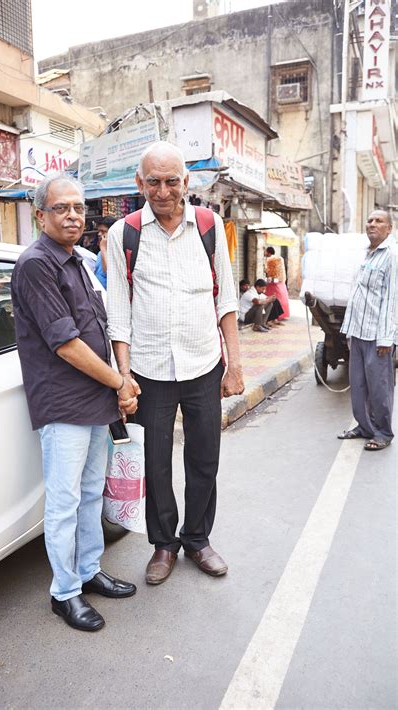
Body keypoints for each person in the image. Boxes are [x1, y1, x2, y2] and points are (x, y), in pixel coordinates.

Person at [106, 141, 244, 585]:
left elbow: (225, 299)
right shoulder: (123, 234)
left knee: (205, 458)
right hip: (149, 369)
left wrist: (234, 364)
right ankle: (164, 545)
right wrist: (124, 376)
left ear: (186, 182)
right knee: (156, 462)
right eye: (154, 182)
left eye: (171, 181)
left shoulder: (209, 226)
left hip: (203, 363)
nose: (163, 191)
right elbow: (119, 312)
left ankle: (198, 539)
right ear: (139, 184)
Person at [11, 174, 140, 632]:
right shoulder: (35, 264)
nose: (72, 216)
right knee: (64, 501)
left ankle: (89, 570)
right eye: (62, 208)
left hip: (94, 399)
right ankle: (64, 591)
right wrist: (120, 383)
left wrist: (115, 384)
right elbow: (66, 343)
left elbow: (98, 328)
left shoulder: (77, 260)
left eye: (79, 208)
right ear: (41, 215)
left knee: (89, 495)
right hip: (64, 403)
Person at [338, 210, 397, 451]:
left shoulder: (392, 255)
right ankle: (364, 426)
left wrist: (386, 338)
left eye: (379, 221)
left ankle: (383, 432)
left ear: (389, 228)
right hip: (358, 333)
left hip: (377, 336)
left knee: (379, 387)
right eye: (370, 220)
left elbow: (392, 300)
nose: (372, 224)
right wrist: (349, 332)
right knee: (359, 385)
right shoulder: (367, 254)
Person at [264, 246, 290, 319]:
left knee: (273, 299)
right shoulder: (279, 259)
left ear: (268, 252)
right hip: (281, 282)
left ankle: (273, 316)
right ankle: (282, 315)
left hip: (273, 282)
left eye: (265, 251)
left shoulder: (270, 260)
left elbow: (269, 273)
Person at [94, 216, 117, 289]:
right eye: (99, 231)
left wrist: (103, 248)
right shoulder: (100, 253)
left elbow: (109, 274)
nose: (99, 234)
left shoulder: (118, 251)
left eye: (103, 231)